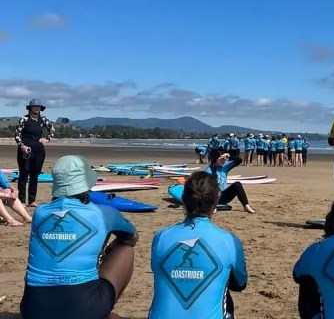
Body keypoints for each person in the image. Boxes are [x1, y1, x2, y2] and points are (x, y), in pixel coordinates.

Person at [21, 155, 137, 319]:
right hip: (84, 310)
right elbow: (132, 237)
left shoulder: (40, 212)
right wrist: (112, 244)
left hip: (32, 310)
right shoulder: (103, 213)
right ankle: (104, 312)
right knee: (126, 249)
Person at [148, 171, 248, 318]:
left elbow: (158, 270)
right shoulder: (229, 240)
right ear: (216, 201)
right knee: (224, 287)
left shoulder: (161, 237)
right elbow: (240, 283)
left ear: (183, 199)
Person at [15, 98, 55, 207]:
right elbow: (17, 135)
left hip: (38, 150)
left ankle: (32, 200)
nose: (37, 109)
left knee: (34, 175)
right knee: (24, 173)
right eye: (34, 107)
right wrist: (22, 145)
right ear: (30, 108)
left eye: (38, 107)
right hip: (25, 149)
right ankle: (22, 200)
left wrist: (47, 138)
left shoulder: (43, 119)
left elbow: (52, 129)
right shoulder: (24, 119)